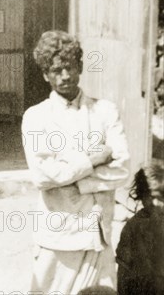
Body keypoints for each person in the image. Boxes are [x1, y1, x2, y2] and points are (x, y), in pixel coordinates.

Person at [21, 30, 130, 294]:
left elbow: (122, 169)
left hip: (97, 236)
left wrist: (71, 179)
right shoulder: (36, 117)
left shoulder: (105, 111)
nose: (65, 76)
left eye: (70, 67)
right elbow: (42, 177)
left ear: (79, 67)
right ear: (46, 74)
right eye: (57, 70)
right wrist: (92, 160)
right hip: (58, 237)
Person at [116, 162, 164, 295]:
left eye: (161, 197)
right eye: (150, 196)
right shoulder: (133, 226)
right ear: (141, 196)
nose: (156, 203)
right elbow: (123, 272)